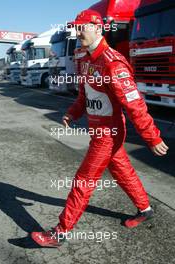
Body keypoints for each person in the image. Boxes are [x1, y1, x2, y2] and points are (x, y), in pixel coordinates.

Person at [31, 9, 169, 247]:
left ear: (97, 27)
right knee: (122, 171)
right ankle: (145, 209)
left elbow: (135, 104)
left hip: (108, 134)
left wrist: (152, 137)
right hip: (98, 131)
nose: (77, 32)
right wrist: (72, 113)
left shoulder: (113, 63)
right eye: (75, 27)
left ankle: (60, 233)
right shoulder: (85, 59)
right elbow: (85, 95)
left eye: (81, 27)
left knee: (83, 180)